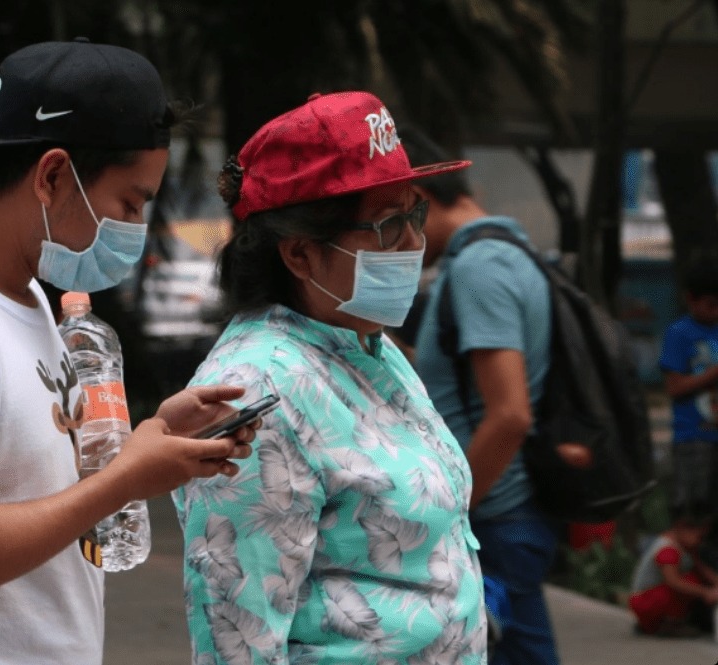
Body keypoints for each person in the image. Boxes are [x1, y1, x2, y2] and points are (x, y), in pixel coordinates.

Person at [0, 39, 256, 664]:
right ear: (52, 176)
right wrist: (124, 480)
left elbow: (26, 484)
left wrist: (153, 435)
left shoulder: (22, 291)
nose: (135, 226)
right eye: (130, 202)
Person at [173, 91, 487, 664]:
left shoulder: (368, 343)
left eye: (414, 214)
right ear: (299, 254)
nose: (415, 244)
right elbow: (236, 636)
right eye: (388, 227)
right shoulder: (257, 391)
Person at [405, 129, 561, 664]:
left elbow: (510, 414)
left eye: (390, 216)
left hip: (493, 518)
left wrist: (449, 517)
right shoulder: (505, 254)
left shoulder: (481, 268)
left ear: (419, 201)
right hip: (503, 515)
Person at [659, 254, 718, 515]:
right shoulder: (679, 333)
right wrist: (711, 375)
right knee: (691, 511)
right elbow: (674, 387)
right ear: (690, 299)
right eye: (711, 305)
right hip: (693, 437)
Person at [628, 506, 718, 637]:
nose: (700, 541)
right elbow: (673, 581)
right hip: (645, 600)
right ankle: (664, 623)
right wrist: (706, 593)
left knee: (696, 578)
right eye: (699, 536)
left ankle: (664, 622)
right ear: (682, 529)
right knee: (690, 582)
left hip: (655, 595)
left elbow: (702, 570)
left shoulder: (686, 548)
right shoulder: (667, 549)